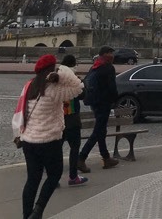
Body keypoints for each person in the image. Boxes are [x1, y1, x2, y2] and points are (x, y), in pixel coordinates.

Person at [19, 53, 83, 219]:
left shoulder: (30, 86)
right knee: (54, 175)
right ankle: (38, 210)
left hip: (29, 140)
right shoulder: (54, 89)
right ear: (50, 69)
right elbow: (77, 86)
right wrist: (61, 73)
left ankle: (27, 215)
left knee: (32, 179)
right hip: (49, 140)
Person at [78, 46, 119, 171]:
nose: (112, 55)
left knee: (101, 130)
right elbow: (112, 87)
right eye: (110, 53)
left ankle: (106, 158)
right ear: (105, 54)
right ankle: (81, 158)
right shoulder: (108, 68)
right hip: (104, 103)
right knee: (98, 132)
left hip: (94, 102)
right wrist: (115, 100)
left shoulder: (95, 66)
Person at [60, 54, 88, 186]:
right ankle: (73, 176)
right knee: (75, 147)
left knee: (56, 151)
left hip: (59, 119)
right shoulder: (74, 79)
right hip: (72, 119)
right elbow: (82, 94)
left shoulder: (57, 77)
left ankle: (54, 178)